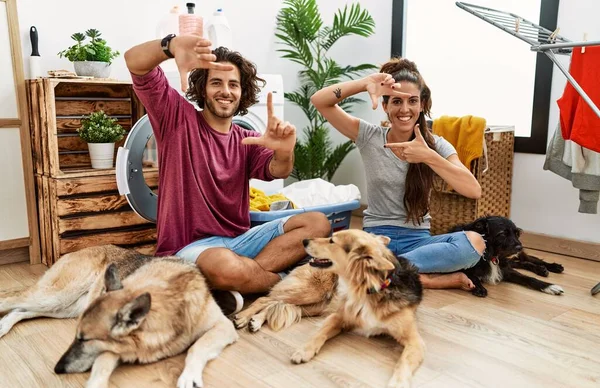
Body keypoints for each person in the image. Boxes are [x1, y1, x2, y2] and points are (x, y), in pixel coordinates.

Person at [124, 35, 331, 314]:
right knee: (224, 266)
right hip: (190, 248)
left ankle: (239, 284)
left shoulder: (247, 139)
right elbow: (135, 63)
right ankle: (282, 282)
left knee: (318, 223)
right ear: (203, 88)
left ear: (242, 92)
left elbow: (280, 169)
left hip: (240, 241)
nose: (226, 91)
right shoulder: (176, 119)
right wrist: (170, 46)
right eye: (216, 83)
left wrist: (285, 151)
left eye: (233, 84)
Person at [310, 58, 484, 291]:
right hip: (376, 240)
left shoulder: (436, 145)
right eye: (396, 101)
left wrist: (428, 156)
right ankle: (421, 278)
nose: (404, 109)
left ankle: (386, 271)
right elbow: (320, 101)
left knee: (475, 243)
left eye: (412, 101)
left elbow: (473, 190)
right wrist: (365, 83)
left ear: (421, 104)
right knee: (347, 260)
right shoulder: (369, 137)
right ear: (385, 106)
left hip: (419, 241)